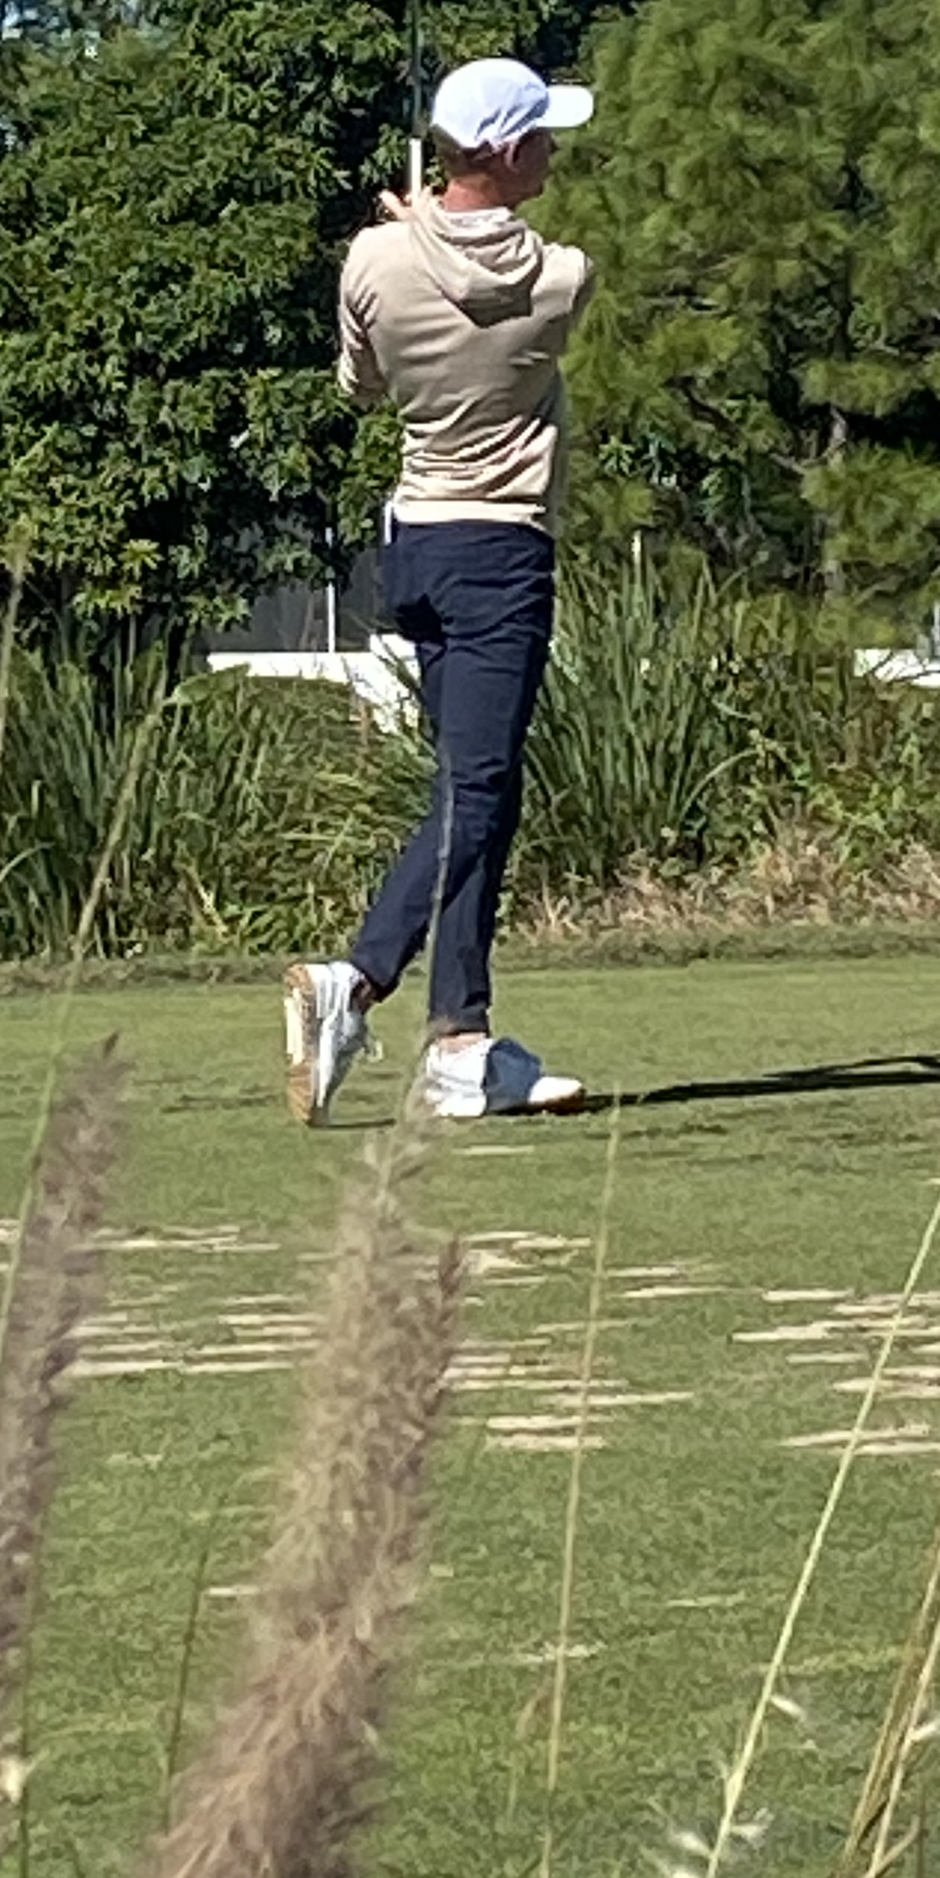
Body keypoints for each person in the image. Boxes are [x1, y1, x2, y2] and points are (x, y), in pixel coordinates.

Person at [284, 58, 597, 1125]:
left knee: (479, 790)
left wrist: (409, 227)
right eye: (543, 136)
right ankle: (358, 982)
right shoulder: (561, 276)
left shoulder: (373, 257)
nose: (556, 148)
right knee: (479, 791)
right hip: (500, 552)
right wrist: (430, 226)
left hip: (414, 546)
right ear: (504, 154)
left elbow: (360, 382)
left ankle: (460, 1042)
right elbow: (501, 277)